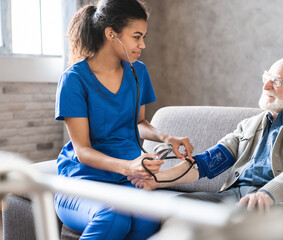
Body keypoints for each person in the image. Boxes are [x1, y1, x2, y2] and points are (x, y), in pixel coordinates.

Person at [54, 0, 194, 239]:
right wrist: (129, 165)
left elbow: (138, 123)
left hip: (128, 178)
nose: (143, 45)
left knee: (146, 219)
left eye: (144, 37)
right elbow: (83, 151)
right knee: (113, 216)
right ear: (111, 34)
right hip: (82, 180)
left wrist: (167, 137)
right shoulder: (74, 80)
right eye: (136, 37)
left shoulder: (138, 71)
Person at [130, 56, 283, 213]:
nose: (266, 86)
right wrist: (158, 179)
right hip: (236, 196)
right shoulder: (249, 125)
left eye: (276, 82)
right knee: (180, 207)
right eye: (266, 78)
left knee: (248, 222)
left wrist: (269, 192)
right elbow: (208, 162)